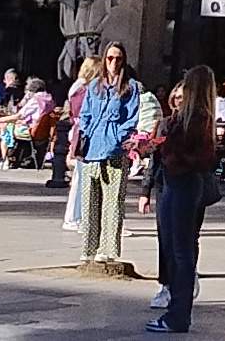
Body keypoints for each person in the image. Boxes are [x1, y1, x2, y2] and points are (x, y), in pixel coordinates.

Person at [146, 67, 217, 334]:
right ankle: (175, 310)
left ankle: (178, 314)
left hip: (183, 184)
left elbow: (198, 158)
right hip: (177, 183)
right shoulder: (189, 118)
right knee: (175, 249)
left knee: (181, 251)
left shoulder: (197, 119)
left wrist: (168, 153)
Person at [68, 47, 139, 276]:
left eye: (119, 58)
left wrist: (116, 139)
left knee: (113, 201)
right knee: (90, 200)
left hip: (115, 150)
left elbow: (131, 118)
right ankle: (88, 247)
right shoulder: (94, 86)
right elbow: (85, 113)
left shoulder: (131, 87)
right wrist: (87, 133)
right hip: (92, 149)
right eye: (110, 58)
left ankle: (108, 248)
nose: (114, 62)